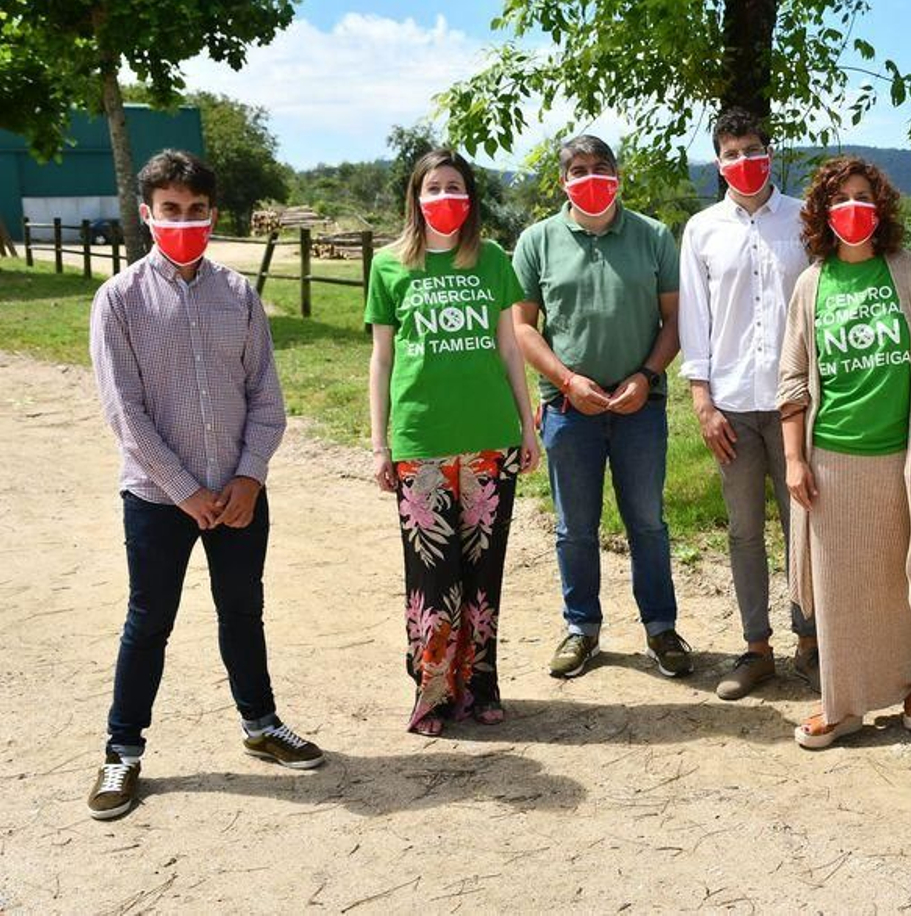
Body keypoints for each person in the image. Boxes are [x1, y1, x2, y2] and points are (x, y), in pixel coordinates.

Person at [86, 150, 323, 821]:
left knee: (242, 611)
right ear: (147, 213)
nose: (184, 221)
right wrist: (185, 490)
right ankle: (122, 750)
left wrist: (249, 476)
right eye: (171, 210)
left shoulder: (238, 296)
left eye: (196, 210)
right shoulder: (119, 300)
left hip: (239, 493)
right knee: (149, 621)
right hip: (158, 498)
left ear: (212, 215)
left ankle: (261, 723)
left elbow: (266, 398)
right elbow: (124, 412)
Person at [778, 156, 911, 749]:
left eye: (862, 196)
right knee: (837, 588)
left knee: (894, 577)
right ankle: (843, 703)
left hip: (898, 458)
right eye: (840, 199)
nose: (852, 208)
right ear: (823, 214)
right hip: (830, 459)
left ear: (880, 208)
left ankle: (907, 683)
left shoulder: (910, 272)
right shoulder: (812, 284)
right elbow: (792, 379)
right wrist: (794, 459)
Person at [366, 149, 540, 735]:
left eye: (455, 187)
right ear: (416, 198)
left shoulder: (492, 259)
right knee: (432, 576)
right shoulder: (389, 266)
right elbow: (382, 358)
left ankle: (481, 685)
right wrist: (380, 444)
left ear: (470, 198)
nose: (445, 197)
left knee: (483, 573)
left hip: (490, 437)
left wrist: (527, 425)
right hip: (421, 441)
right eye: (434, 187)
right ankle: (434, 692)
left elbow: (510, 347)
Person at [512, 134, 693, 679]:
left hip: (641, 405)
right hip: (569, 410)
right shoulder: (537, 241)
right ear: (563, 180)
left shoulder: (653, 236)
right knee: (575, 527)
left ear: (618, 175)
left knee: (648, 523)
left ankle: (661, 628)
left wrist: (646, 375)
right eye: (579, 169)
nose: (591, 177)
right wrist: (566, 381)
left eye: (601, 167)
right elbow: (523, 328)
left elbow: (675, 320)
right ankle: (581, 628)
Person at [678, 107, 819, 699]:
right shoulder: (702, 229)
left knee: (802, 525)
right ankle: (756, 648)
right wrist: (702, 400)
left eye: (752, 150)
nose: (743, 161)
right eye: (731, 154)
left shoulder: (804, 220)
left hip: (795, 402)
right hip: (732, 403)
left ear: (770, 153)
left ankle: (811, 642)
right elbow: (695, 316)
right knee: (743, 531)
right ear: (719, 163)